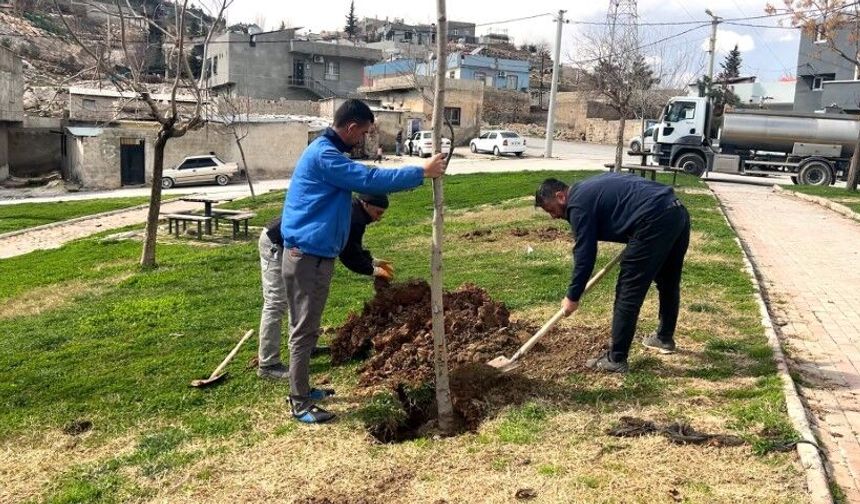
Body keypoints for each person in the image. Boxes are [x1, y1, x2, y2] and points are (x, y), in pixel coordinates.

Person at [280, 99, 445, 423]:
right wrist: (421, 172)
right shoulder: (325, 156)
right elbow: (369, 181)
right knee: (304, 330)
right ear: (351, 127)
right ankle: (299, 402)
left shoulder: (327, 154)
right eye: (364, 132)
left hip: (316, 255)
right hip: (306, 257)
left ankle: (302, 388)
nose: (364, 139)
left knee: (307, 327)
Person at [534, 172, 690, 373]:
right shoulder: (587, 189)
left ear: (560, 196)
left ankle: (616, 359)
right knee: (668, 281)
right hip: (675, 210)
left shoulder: (577, 205)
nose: (554, 216)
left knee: (628, 291)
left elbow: (585, 255)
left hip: (653, 218)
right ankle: (664, 337)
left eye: (551, 210)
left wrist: (572, 296)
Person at [256, 194, 394, 381]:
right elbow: (348, 254)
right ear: (365, 204)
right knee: (276, 302)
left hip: (298, 249)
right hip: (278, 243)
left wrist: (373, 261)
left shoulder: (355, 212)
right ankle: (268, 364)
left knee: (303, 298)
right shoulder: (353, 216)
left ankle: (305, 348)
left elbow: (350, 245)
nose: (379, 218)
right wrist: (373, 270)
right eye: (378, 213)